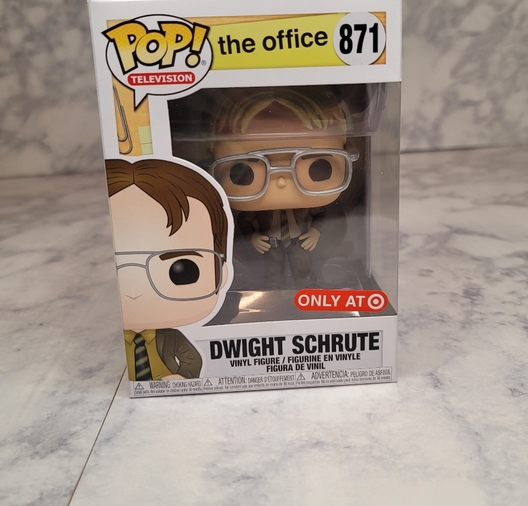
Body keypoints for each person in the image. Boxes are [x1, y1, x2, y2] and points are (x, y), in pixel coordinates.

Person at [211, 87, 357, 289]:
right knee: (273, 274)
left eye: (317, 168)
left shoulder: (309, 206)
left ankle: (307, 291)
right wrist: (253, 237)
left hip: (298, 242)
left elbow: (320, 214)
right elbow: (244, 221)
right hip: (271, 244)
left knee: (303, 271)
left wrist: (315, 232)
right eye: (245, 171)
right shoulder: (257, 209)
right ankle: (273, 292)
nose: (281, 182)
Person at [105, 158, 230, 381]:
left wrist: (183, 377)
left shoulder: (170, 337)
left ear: (221, 272)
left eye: (181, 271)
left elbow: (193, 360)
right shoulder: (111, 340)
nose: (134, 292)